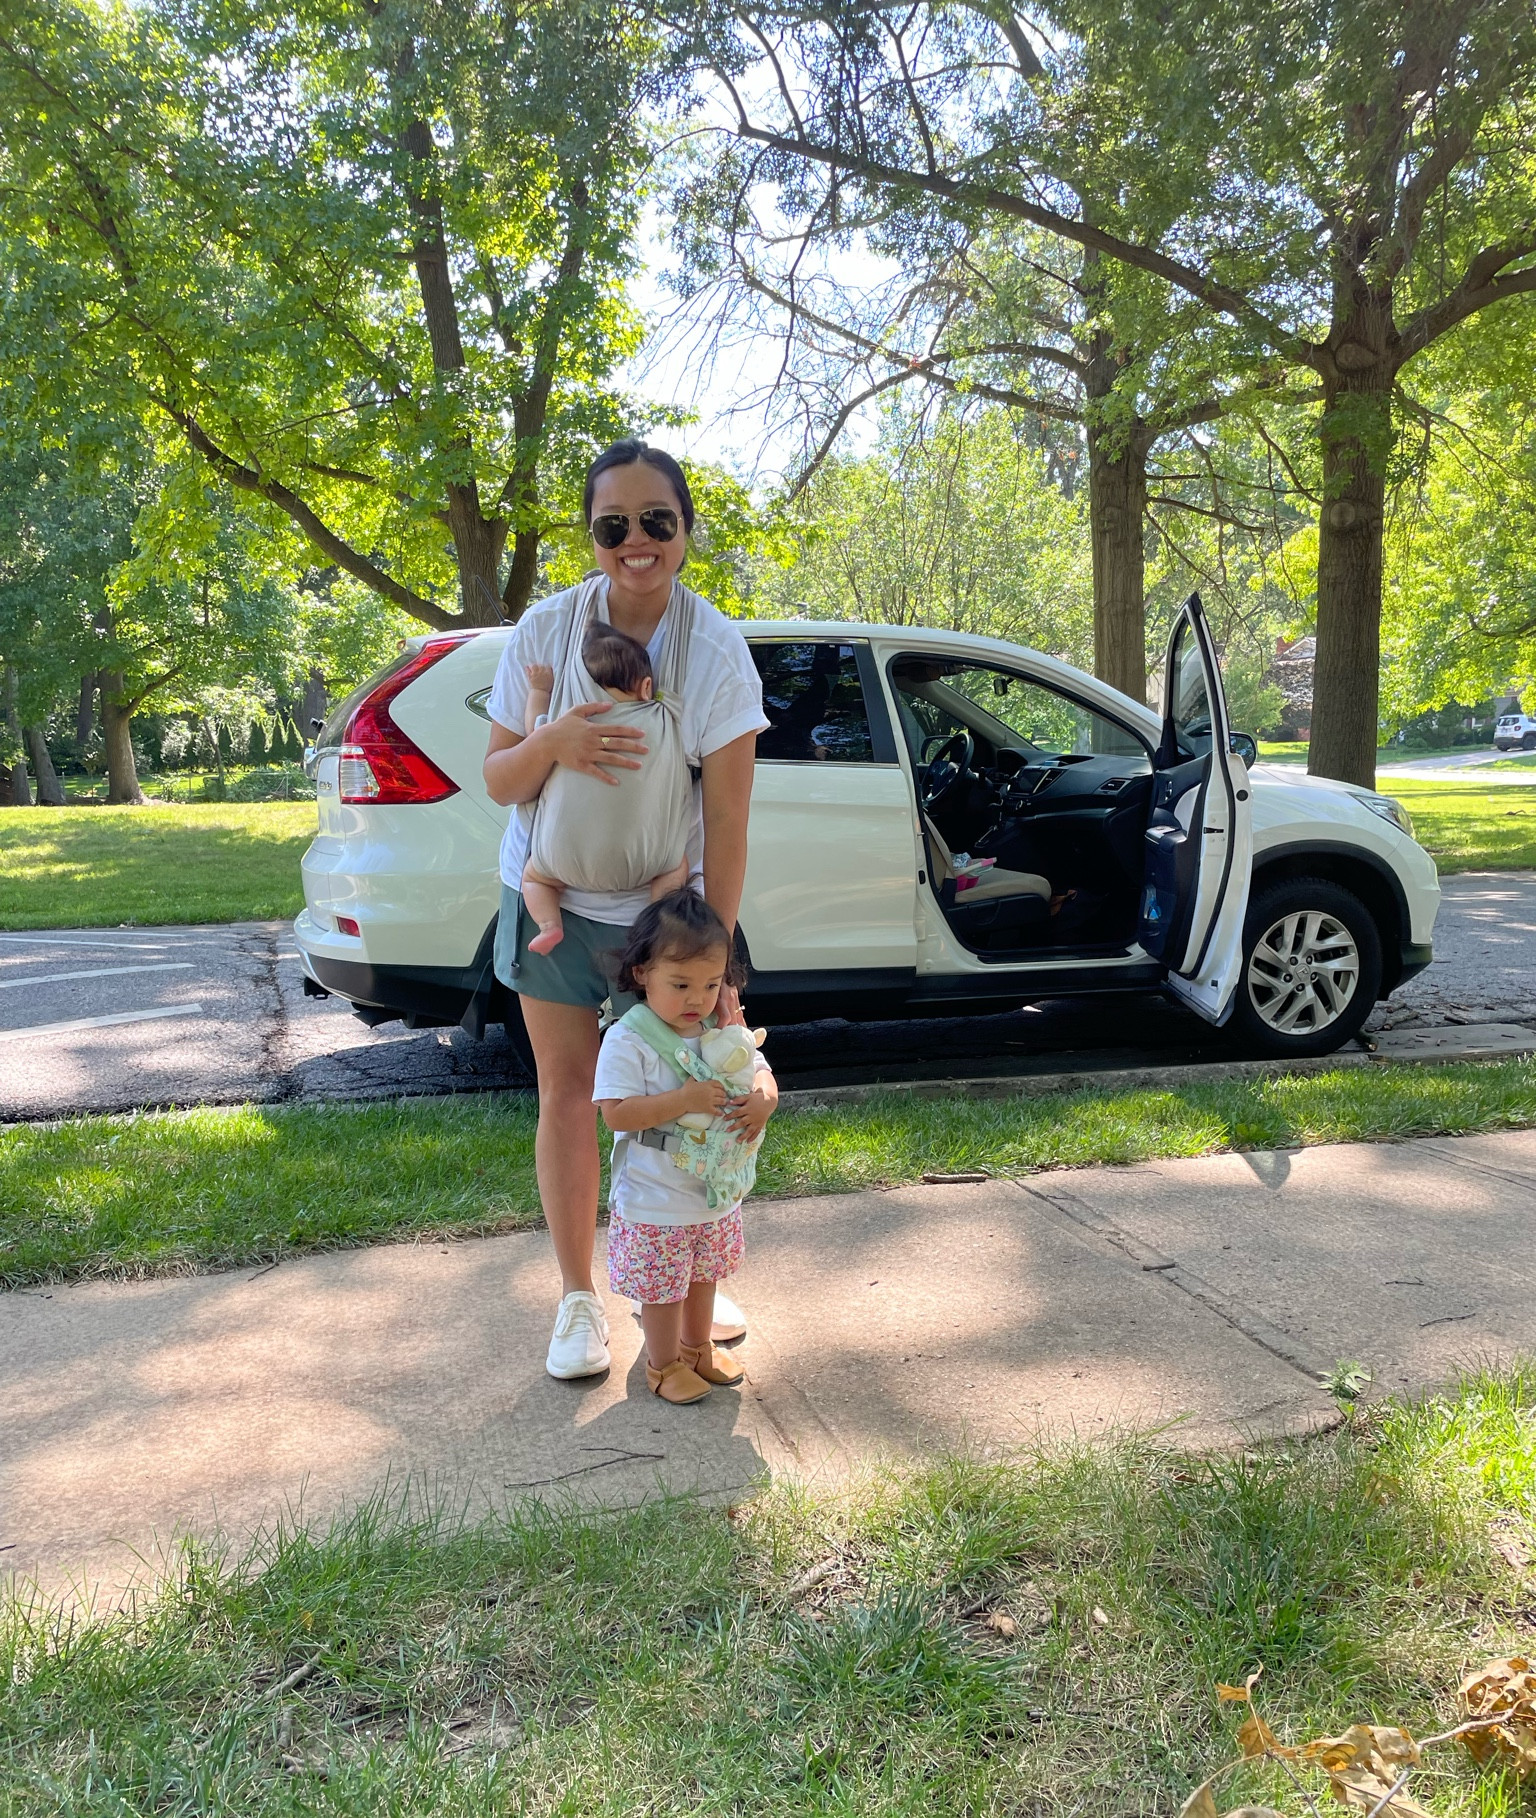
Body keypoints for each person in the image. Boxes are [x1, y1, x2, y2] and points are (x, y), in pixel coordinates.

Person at [482, 439, 768, 1380]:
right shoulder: (546, 629)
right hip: (553, 901)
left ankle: (683, 1276)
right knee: (571, 1094)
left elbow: (727, 822)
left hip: (663, 915)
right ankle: (578, 1299)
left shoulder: (714, 650)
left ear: (685, 529)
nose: (636, 541)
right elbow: (500, 780)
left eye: (657, 520)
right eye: (614, 525)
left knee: (683, 1098)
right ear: (592, 535)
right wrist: (553, 742)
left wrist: (714, 967)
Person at [594, 891, 777, 1404]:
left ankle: (696, 1348)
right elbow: (616, 1114)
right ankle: (663, 1364)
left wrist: (765, 1098)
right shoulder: (629, 1040)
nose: (697, 999)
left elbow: (759, 1070)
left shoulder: (722, 1032)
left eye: (711, 984)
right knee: (663, 1288)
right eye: (680, 985)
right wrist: (683, 1100)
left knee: (704, 1277)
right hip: (655, 1197)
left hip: (713, 1189)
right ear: (642, 973)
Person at [519, 622, 690, 956]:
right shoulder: (665, 716)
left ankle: (549, 926)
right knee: (675, 870)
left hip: (560, 860)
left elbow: (533, 733)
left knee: (534, 879)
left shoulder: (565, 727)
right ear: (647, 687)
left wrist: (540, 690)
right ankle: (659, 926)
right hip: (649, 862)